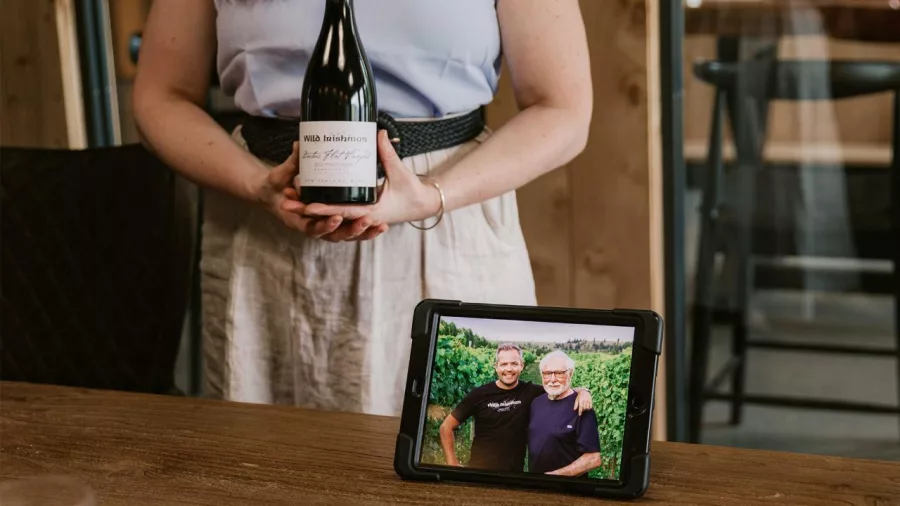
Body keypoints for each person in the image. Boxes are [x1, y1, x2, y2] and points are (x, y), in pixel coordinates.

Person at [132, 0, 592, 416]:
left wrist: (431, 194)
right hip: (266, 225)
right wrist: (255, 183)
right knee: (262, 462)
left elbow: (563, 108)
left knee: (459, 450)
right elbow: (160, 95)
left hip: (445, 220)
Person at [438, 343, 593, 472]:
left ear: (522, 366)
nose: (509, 369)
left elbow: (558, 388)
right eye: (504, 364)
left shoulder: (531, 392)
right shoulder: (478, 395)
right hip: (480, 472)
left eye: (514, 363)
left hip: (514, 475)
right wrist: (452, 464)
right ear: (496, 367)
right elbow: (446, 427)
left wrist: (584, 392)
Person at [527, 350, 602, 476]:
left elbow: (593, 459)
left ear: (570, 373)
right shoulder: (536, 402)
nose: (553, 379)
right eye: (547, 373)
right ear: (541, 374)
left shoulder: (581, 407)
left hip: (568, 488)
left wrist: (555, 477)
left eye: (559, 373)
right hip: (535, 483)